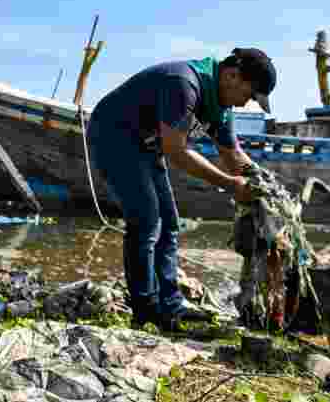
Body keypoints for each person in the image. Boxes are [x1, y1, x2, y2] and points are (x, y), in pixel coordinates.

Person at [85, 48, 277, 329]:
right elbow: (176, 152)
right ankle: (146, 311)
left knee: (169, 224)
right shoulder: (183, 84)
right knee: (147, 221)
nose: (246, 103)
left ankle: (171, 306)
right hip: (114, 136)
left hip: (146, 146)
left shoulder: (220, 106)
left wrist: (263, 183)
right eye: (249, 95)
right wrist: (230, 184)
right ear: (232, 75)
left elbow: (232, 154)